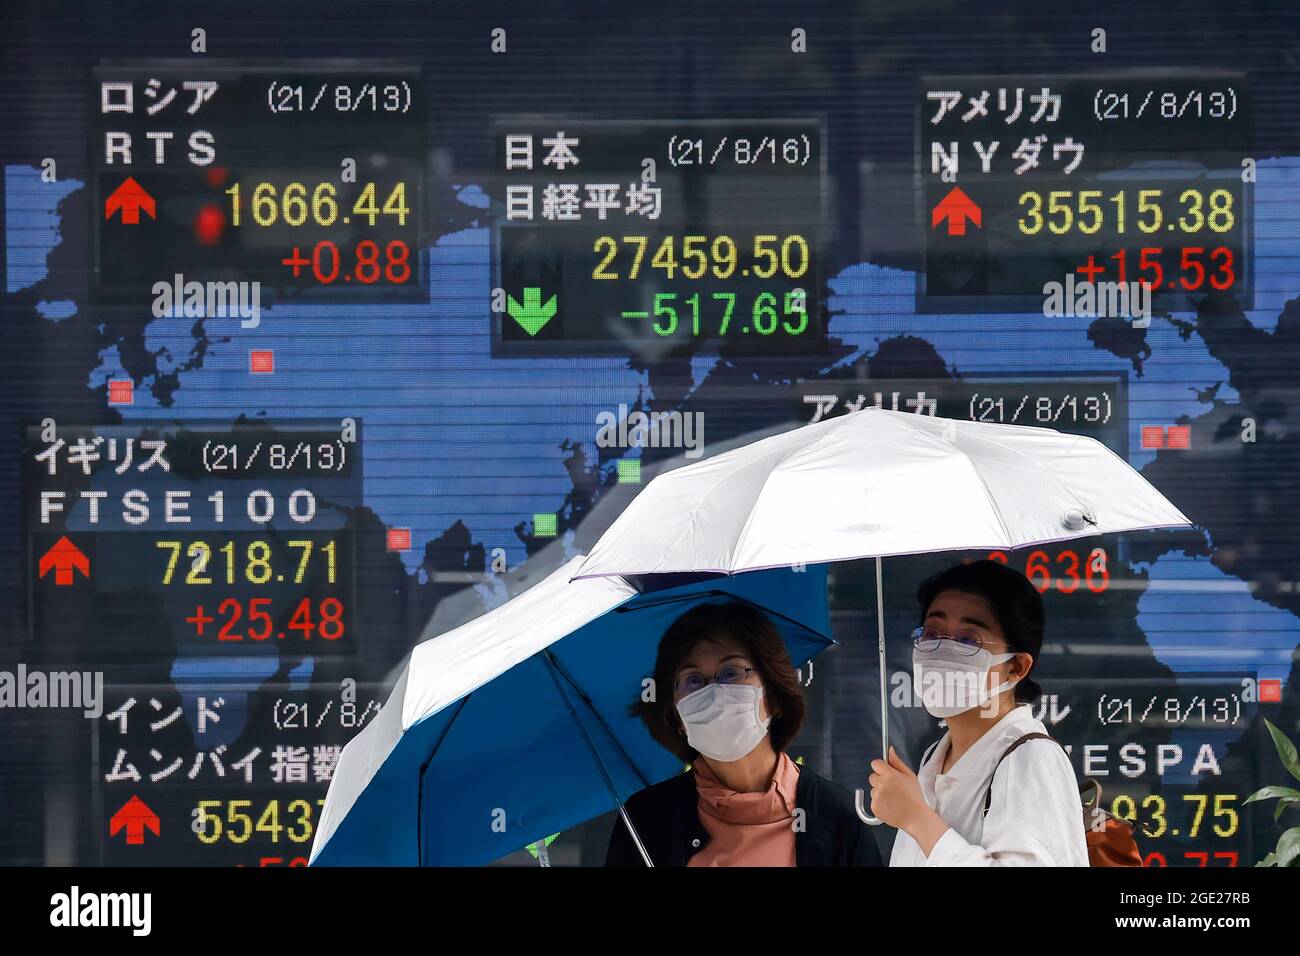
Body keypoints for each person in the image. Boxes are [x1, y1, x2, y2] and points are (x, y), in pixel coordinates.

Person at [605, 600, 882, 866]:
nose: (712, 692)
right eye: (692, 680)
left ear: (773, 695)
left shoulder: (838, 819)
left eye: (731, 672)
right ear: (675, 714)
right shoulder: (645, 822)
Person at [870, 559, 1088, 866]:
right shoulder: (935, 756)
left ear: (1016, 667)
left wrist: (918, 820)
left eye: (967, 640)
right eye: (932, 633)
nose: (942, 650)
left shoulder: (1030, 757)